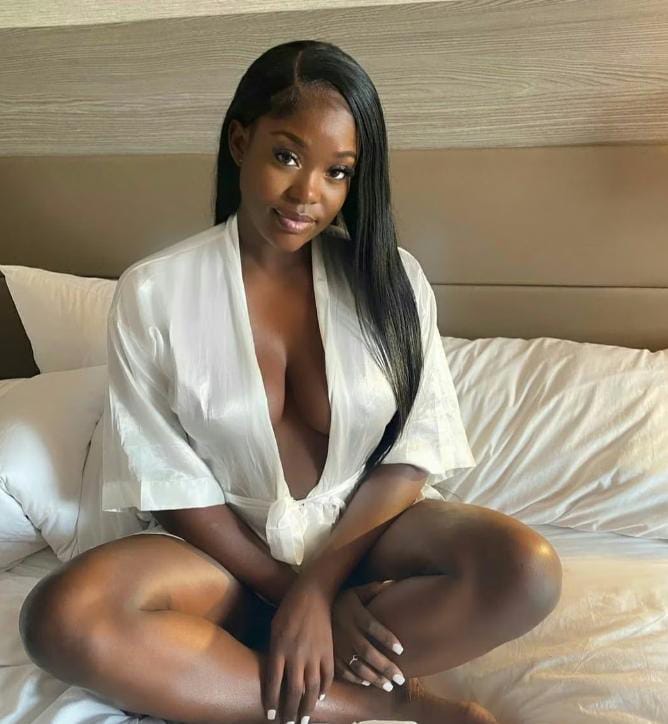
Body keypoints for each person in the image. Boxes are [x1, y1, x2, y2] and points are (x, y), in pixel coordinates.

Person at [18, 40, 562, 724]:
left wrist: (318, 590)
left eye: (338, 172)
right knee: (64, 617)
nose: (309, 194)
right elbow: (168, 479)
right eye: (287, 156)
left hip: (365, 536)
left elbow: (411, 453)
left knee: (526, 568)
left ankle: (232, 657)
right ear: (240, 142)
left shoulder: (392, 280)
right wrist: (288, 593)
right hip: (222, 556)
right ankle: (384, 708)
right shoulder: (154, 292)